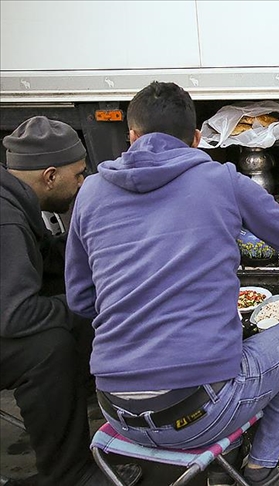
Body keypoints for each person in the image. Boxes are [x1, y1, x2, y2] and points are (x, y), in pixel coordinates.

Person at [64, 82, 279, 486]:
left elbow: (82, 300)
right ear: (195, 139)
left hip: (116, 411)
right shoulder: (219, 178)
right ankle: (263, 469)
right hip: (200, 413)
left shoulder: (90, 193)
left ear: (131, 137)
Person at [0, 116, 143, 486]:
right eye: (79, 175)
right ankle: (70, 473)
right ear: (50, 176)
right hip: (7, 316)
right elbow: (15, 316)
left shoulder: (14, 200)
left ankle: (87, 405)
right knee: (50, 347)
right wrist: (95, 304)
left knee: (71, 313)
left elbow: (52, 261)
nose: (83, 183)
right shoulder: (6, 222)